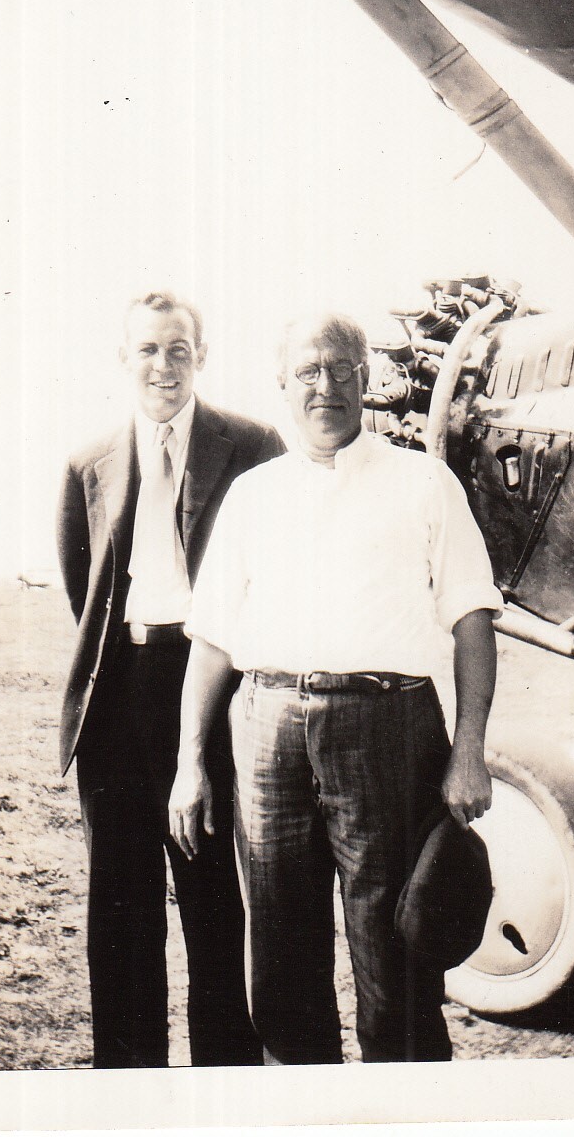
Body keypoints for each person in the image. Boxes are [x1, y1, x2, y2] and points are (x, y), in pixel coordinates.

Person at [168, 311, 503, 1065]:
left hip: (388, 727)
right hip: (266, 731)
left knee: (397, 958)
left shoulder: (423, 482)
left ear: (367, 378)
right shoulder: (253, 495)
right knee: (280, 967)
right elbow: (214, 640)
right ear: (282, 386)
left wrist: (470, 750)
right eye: (308, 372)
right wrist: (192, 761)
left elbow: (473, 622)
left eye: (341, 368)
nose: (326, 385)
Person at [56, 290, 284, 1069]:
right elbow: (81, 581)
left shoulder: (253, 445)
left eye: (177, 348)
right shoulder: (86, 462)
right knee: (119, 917)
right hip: (120, 699)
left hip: (216, 696)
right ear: (125, 359)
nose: (163, 364)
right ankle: (129, 1094)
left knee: (217, 907)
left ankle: (226, 1094)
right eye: (148, 349)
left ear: (202, 355)